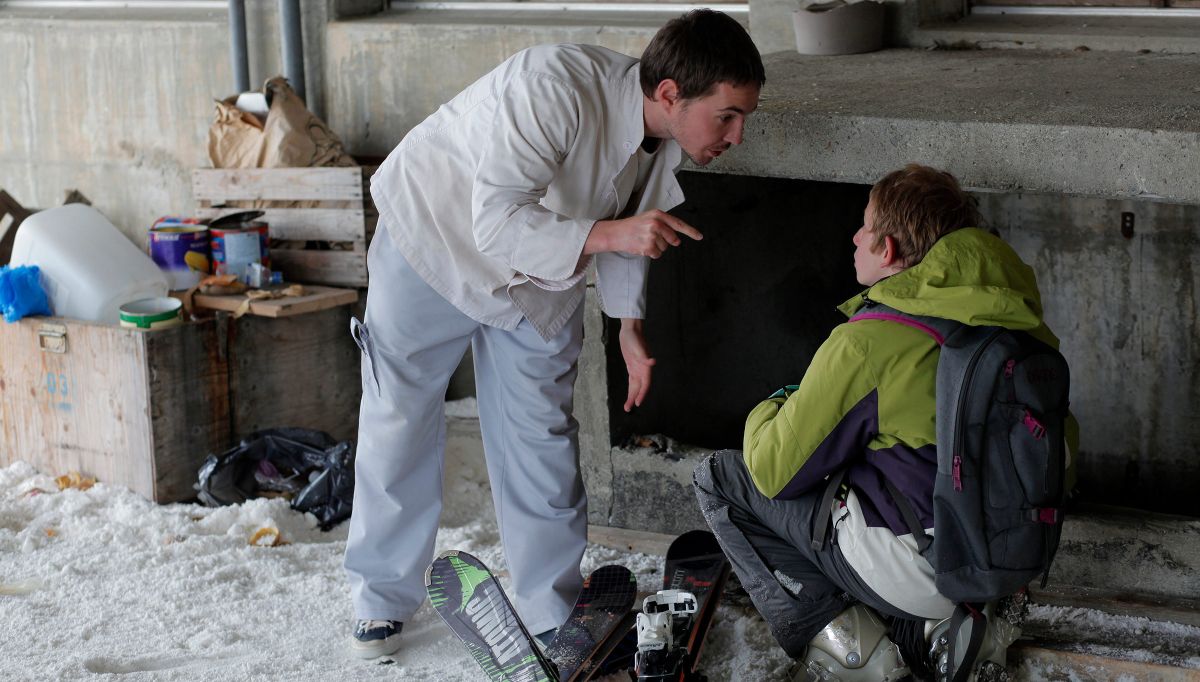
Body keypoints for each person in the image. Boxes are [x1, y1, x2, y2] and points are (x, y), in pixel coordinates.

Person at [344, 10, 765, 659]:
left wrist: (628, 327)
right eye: (728, 116)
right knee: (400, 413)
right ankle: (381, 598)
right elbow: (496, 221)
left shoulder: (664, 135)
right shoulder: (554, 84)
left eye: (743, 119)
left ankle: (551, 605)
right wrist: (612, 234)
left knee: (540, 428)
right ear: (670, 93)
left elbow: (635, 230)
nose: (737, 135)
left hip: (544, 269)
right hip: (434, 235)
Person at [692, 164, 1078, 681]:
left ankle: (862, 658)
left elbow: (774, 471)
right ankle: (944, 632)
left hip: (922, 568)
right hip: (1011, 555)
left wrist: (778, 402)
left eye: (865, 226)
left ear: (889, 249)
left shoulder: (870, 341)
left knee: (722, 478)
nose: (855, 237)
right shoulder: (1020, 326)